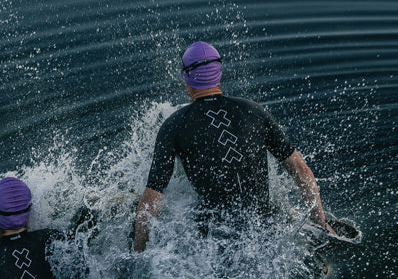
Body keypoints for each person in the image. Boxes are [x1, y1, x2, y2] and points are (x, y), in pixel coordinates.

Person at [132, 41, 331, 250]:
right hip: (266, 230)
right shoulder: (253, 111)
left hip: (213, 240)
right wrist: (321, 222)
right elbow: (300, 169)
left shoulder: (173, 126)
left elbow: (150, 203)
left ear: (186, 78)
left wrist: (138, 252)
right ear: (219, 73)